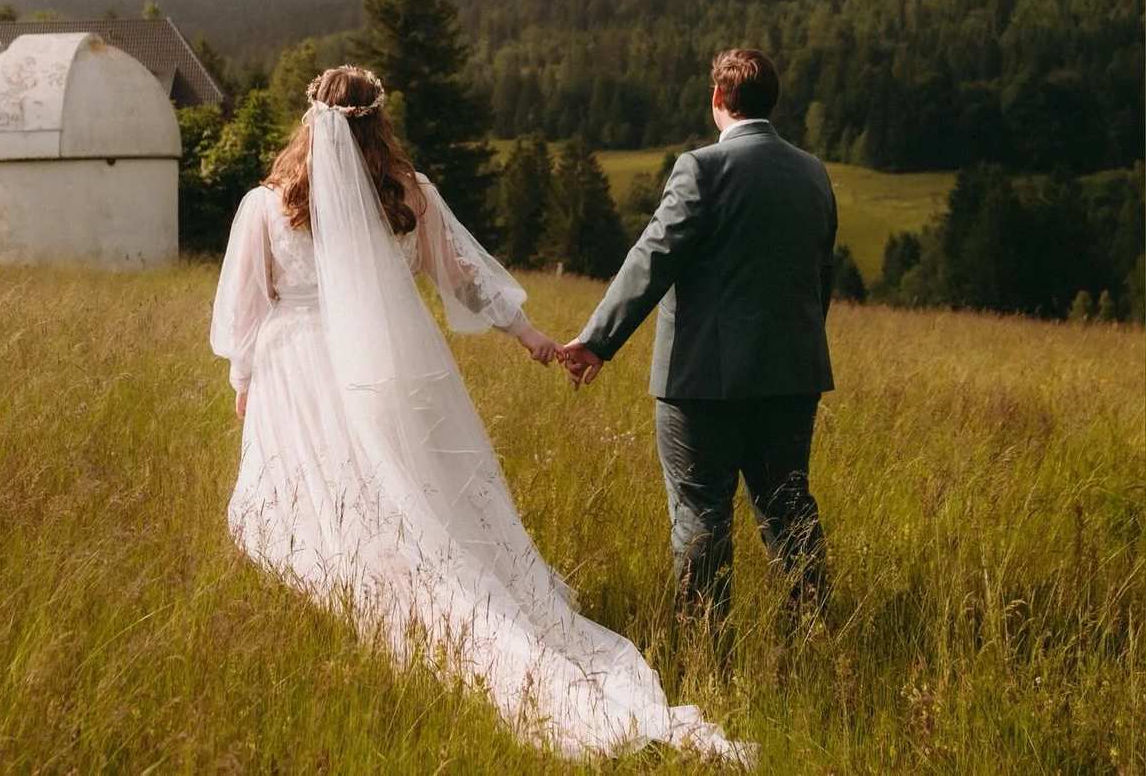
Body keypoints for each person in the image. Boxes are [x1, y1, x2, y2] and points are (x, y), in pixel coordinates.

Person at [210, 64, 753, 765]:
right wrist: (529, 336)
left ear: (310, 122)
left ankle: (369, 616)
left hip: (298, 376)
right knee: (406, 503)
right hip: (386, 368)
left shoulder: (265, 204)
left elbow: (246, 312)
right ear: (379, 120)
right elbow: (462, 274)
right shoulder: (409, 194)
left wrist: (243, 380)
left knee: (322, 511)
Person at [560, 48, 836, 627]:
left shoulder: (702, 168)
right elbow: (818, 279)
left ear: (718, 98)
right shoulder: (814, 173)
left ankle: (710, 655)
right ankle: (814, 634)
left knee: (701, 516)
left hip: (700, 382)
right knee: (790, 510)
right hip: (791, 376)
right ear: (771, 103)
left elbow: (653, 258)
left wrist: (597, 341)